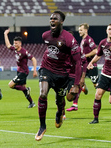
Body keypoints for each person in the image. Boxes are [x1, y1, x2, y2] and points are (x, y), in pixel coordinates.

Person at [35, 11, 82, 141]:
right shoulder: (45, 35)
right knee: (43, 93)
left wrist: (77, 84)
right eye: (51, 19)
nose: (52, 21)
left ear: (61, 22)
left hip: (62, 74)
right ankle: (42, 126)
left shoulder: (69, 39)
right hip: (47, 69)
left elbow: (78, 62)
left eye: (55, 19)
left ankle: (59, 112)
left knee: (60, 100)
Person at [66, 23, 98, 112]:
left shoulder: (89, 40)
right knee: (78, 83)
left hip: (91, 66)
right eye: (79, 30)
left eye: (81, 30)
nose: (79, 31)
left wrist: (84, 56)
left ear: (85, 30)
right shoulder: (83, 40)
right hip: (84, 66)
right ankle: (74, 105)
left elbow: (96, 51)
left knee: (98, 86)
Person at [4, 28, 37, 108]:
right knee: (23, 88)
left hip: (23, 71)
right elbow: (8, 45)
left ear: (20, 44)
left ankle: (26, 90)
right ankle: (32, 103)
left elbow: (33, 59)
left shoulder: (24, 52)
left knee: (11, 85)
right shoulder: (15, 49)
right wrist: (5, 34)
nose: (14, 44)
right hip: (19, 71)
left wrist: (35, 70)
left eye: (16, 43)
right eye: (14, 43)